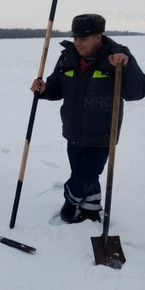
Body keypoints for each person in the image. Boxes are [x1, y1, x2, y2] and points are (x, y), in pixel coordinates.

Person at [31, 14, 145, 224]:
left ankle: (70, 200)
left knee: (83, 177)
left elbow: (137, 92)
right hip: (73, 131)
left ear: (98, 37)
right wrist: (44, 89)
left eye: (83, 38)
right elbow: (57, 86)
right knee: (84, 174)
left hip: (102, 134)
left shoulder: (117, 57)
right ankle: (91, 209)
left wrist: (126, 65)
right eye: (75, 37)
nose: (77, 43)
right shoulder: (68, 56)